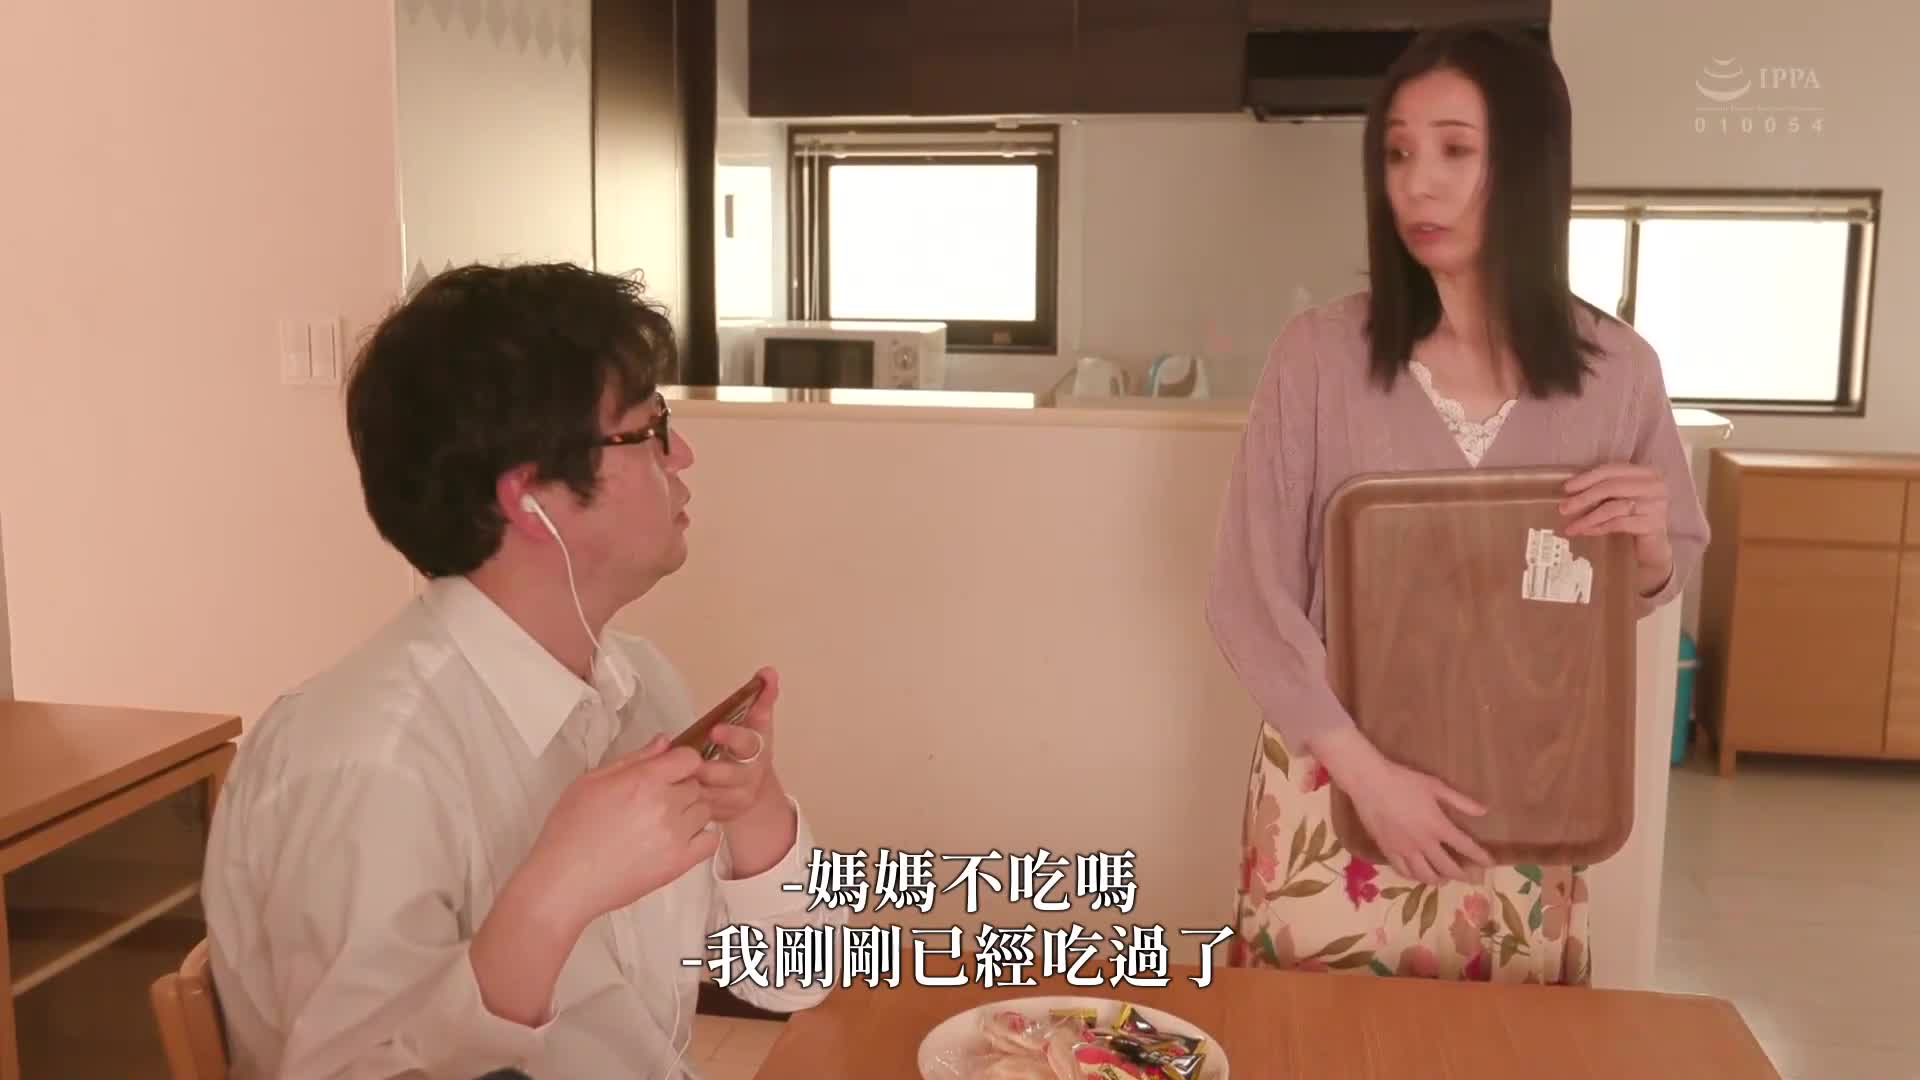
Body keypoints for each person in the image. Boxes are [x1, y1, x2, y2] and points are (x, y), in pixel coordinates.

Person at [201, 263, 845, 1079]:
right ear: (530, 497)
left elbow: (799, 978)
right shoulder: (367, 763)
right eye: (650, 428)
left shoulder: (637, 684)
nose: (681, 453)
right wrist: (553, 897)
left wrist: (756, 811)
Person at [1206, 24, 1710, 985]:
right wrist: (1368, 780)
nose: (1417, 185)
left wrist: (1646, 549)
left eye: (1454, 150)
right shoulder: (1319, 356)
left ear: (1528, 164)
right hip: (1334, 789)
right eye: (1397, 153)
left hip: (1527, 790)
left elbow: (1659, 569)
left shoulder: (1618, 373)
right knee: (1311, 1044)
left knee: (1510, 1044)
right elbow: (1248, 596)